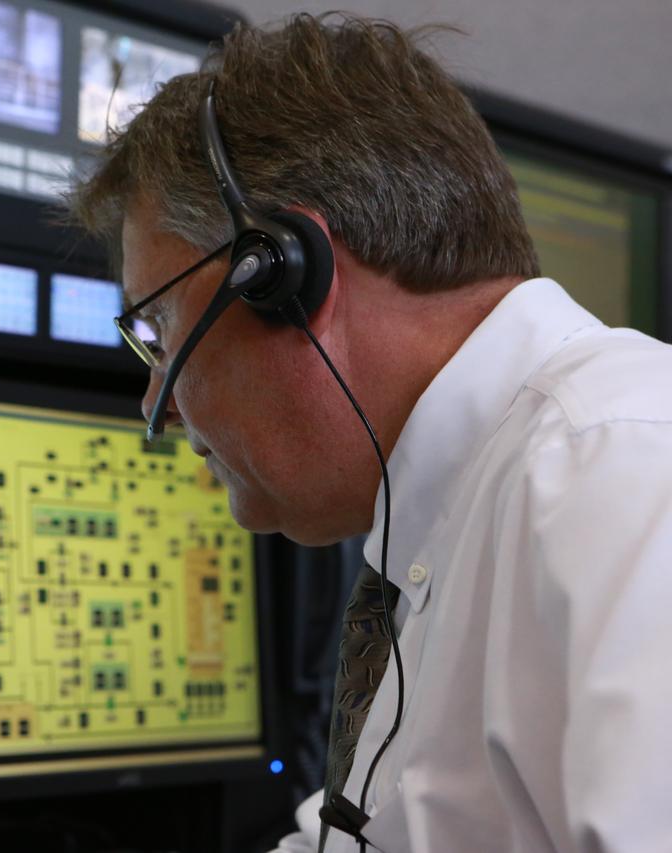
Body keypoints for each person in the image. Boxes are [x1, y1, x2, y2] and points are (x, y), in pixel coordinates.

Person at [66, 13, 672, 853]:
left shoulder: (620, 467)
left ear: (284, 273)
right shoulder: (454, 516)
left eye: (162, 330)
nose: (156, 401)